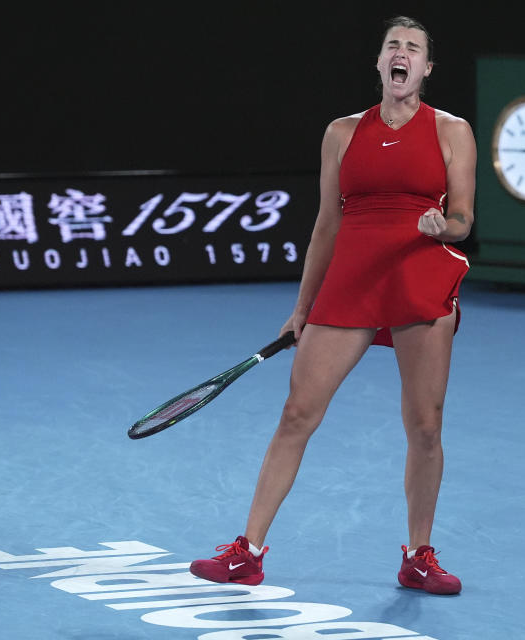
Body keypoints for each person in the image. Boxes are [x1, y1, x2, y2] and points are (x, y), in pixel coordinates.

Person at [190, 15, 476, 595]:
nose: (401, 54)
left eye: (413, 49)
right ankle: (247, 551)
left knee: (425, 424)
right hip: (351, 280)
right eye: (392, 46)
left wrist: (441, 225)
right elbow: (326, 223)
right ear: (379, 64)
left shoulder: (452, 131)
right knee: (298, 413)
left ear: (425, 69)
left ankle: (418, 556)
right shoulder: (342, 133)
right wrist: (303, 306)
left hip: (420, 275)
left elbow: (465, 221)